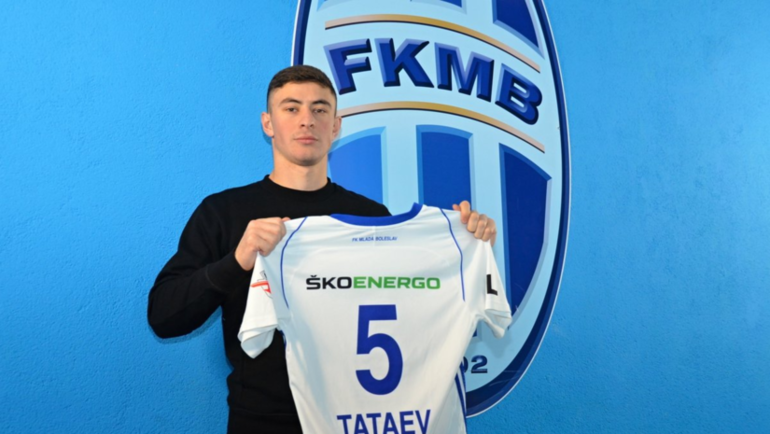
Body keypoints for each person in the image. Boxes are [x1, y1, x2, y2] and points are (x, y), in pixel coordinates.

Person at [147, 65, 496, 434]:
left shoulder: (371, 217)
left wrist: (466, 248)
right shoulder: (223, 213)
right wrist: (237, 260)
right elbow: (164, 316)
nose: (307, 120)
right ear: (268, 123)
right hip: (264, 422)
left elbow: (416, 309)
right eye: (291, 108)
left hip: (359, 420)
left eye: (319, 109)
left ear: (335, 126)